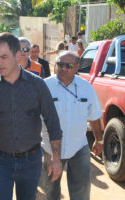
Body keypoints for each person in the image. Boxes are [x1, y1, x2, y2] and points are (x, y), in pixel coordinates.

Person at [0, 32, 62, 200]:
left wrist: (56, 158)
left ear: (18, 55)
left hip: (31, 161)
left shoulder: (38, 85)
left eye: (3, 57)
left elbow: (53, 123)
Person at [40, 51, 103, 200]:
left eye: (68, 65)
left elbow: (94, 116)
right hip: (49, 148)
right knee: (51, 190)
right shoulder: (44, 86)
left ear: (77, 68)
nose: (63, 68)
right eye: (60, 64)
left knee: (81, 191)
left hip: (78, 147)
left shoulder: (86, 87)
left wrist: (99, 140)